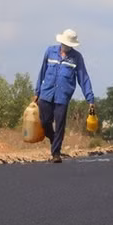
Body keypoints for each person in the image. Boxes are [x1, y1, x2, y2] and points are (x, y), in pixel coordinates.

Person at [33, 29, 95, 162]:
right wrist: (37, 91)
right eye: (66, 44)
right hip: (46, 93)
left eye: (70, 45)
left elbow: (83, 78)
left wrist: (90, 99)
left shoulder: (76, 58)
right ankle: (54, 138)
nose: (67, 46)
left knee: (60, 124)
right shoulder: (50, 52)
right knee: (44, 122)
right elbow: (42, 71)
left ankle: (56, 153)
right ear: (61, 42)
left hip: (62, 96)